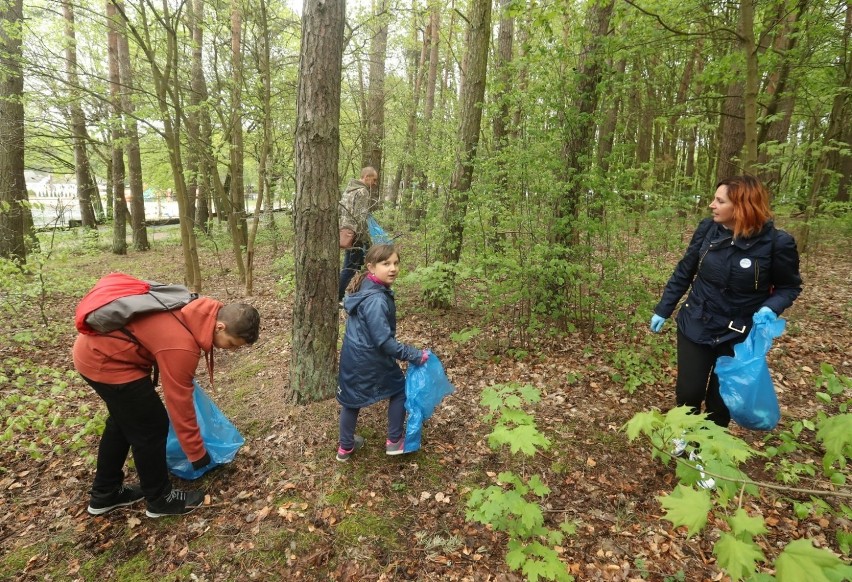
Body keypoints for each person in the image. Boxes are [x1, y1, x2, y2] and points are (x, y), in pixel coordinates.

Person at [73, 298, 260, 517]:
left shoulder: (193, 310)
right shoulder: (182, 345)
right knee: (151, 426)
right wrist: (197, 453)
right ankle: (160, 500)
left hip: (97, 351)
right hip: (108, 363)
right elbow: (179, 403)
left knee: (123, 422)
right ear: (220, 326)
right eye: (231, 344)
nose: (229, 350)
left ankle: (105, 493)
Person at [650, 175, 802, 431]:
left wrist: (770, 307)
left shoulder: (777, 243)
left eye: (720, 201)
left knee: (720, 403)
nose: (712, 205)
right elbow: (685, 270)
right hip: (696, 322)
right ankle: (683, 436)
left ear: (742, 207)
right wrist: (664, 309)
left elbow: (789, 286)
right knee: (689, 392)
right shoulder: (708, 230)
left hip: (738, 335)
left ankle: (708, 454)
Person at [337, 244, 429, 461]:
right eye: (386, 263)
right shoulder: (377, 299)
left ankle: (345, 448)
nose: (393, 268)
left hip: (352, 356)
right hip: (370, 359)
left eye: (396, 263)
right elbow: (384, 343)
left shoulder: (366, 286)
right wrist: (415, 355)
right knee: (399, 390)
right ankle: (395, 441)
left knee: (351, 401)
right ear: (371, 266)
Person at [339, 166, 378, 301]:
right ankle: (337, 296)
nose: (374, 183)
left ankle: (359, 293)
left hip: (346, 232)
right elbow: (360, 217)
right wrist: (364, 238)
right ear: (366, 177)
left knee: (360, 266)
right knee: (350, 268)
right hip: (357, 236)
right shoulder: (362, 191)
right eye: (373, 179)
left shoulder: (348, 190)